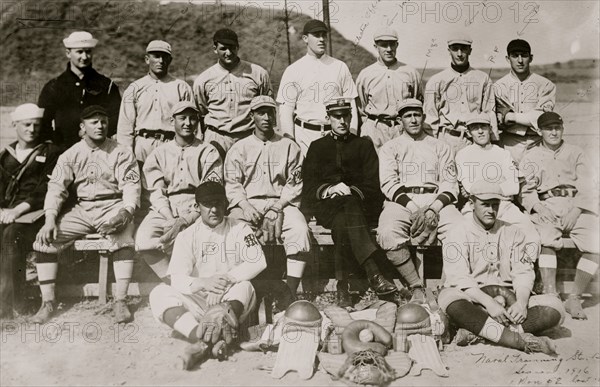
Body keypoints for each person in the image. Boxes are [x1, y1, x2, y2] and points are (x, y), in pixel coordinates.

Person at [31, 105, 141, 324]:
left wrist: (125, 212)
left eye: (103, 121)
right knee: (45, 241)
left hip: (112, 205)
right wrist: (50, 219)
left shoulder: (121, 151)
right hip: (82, 209)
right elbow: (56, 188)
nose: (100, 126)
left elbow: (131, 185)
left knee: (123, 238)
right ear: (82, 127)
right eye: (94, 122)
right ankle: (48, 302)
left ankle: (120, 300)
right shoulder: (71, 154)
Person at [149, 181, 267, 370]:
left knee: (245, 287)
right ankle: (204, 337)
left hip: (230, 298)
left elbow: (259, 260)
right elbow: (177, 278)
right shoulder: (187, 235)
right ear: (197, 207)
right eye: (207, 204)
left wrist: (225, 280)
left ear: (226, 204)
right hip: (199, 300)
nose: (214, 209)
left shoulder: (239, 228)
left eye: (218, 203)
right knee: (158, 293)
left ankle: (202, 345)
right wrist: (204, 282)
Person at [438, 180, 565, 356]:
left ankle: (479, 333)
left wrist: (521, 302)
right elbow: (459, 277)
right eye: (485, 204)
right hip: (474, 300)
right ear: (471, 202)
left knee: (555, 307)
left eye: (495, 205)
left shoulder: (513, 231)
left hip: (508, 300)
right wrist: (488, 303)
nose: (491, 210)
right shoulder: (458, 231)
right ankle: (517, 340)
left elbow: (523, 271)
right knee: (449, 299)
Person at [302, 97, 396, 303]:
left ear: (351, 116)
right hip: (327, 206)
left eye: (346, 116)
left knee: (343, 219)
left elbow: (374, 186)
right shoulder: (317, 147)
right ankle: (374, 273)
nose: (342, 121)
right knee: (344, 211)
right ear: (328, 118)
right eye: (337, 117)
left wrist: (351, 191)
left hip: (360, 206)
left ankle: (342, 287)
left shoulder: (363, 145)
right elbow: (308, 188)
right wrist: (330, 190)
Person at [225, 95, 310, 297]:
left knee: (299, 229)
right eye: (261, 112)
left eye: (270, 112)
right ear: (252, 115)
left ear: (275, 115)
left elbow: (295, 183)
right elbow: (232, 183)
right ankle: (239, 291)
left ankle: (289, 293)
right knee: (231, 231)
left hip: (281, 202)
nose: (266, 117)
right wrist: (245, 207)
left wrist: (277, 207)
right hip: (247, 204)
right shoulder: (239, 147)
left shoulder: (289, 146)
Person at [377, 99, 463, 297]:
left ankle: (449, 286)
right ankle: (416, 286)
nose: (413, 120)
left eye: (417, 115)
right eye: (408, 116)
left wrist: (433, 208)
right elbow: (388, 183)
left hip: (436, 200)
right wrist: (415, 208)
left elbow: (450, 184)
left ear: (423, 117)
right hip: (401, 201)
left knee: (460, 229)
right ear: (400, 120)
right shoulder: (390, 147)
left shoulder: (441, 146)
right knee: (387, 232)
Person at [520, 112, 599, 319]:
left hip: (576, 205)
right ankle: (550, 293)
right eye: (548, 128)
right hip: (547, 204)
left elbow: (590, 185)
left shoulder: (576, 152)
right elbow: (526, 191)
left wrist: (577, 209)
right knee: (545, 236)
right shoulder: (531, 156)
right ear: (540, 131)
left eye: (557, 127)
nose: (554, 132)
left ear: (562, 129)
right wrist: (538, 207)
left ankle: (574, 297)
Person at [136, 101, 223, 284]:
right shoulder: (159, 153)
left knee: (204, 240)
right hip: (166, 207)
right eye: (182, 118)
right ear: (172, 121)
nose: (188, 123)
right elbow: (156, 191)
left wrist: (186, 219)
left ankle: (200, 283)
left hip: (199, 207)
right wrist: (170, 220)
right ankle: (174, 282)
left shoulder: (208, 151)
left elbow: (209, 192)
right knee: (143, 240)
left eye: (193, 119)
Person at [0, 104, 61, 318]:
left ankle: (13, 304)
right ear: (15, 125)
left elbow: (45, 189)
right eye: (26, 125)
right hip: (9, 213)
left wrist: (17, 211)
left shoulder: (51, 152)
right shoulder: (5, 156)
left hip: (38, 214)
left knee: (11, 235)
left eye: (36, 125)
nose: (32, 130)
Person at [455, 112, 540, 263]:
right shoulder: (463, 154)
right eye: (475, 128)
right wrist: (499, 185)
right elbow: (469, 187)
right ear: (469, 132)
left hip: (504, 206)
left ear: (490, 129)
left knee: (529, 231)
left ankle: (524, 273)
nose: (480, 131)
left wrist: (484, 186)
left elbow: (514, 186)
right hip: (476, 206)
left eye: (484, 127)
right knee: (464, 234)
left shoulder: (503, 153)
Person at [277, 19, 358, 156]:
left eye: (323, 35)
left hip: (335, 135)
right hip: (305, 135)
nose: (321, 39)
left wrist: (353, 133)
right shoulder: (293, 70)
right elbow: (286, 109)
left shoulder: (340, 67)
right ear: (305, 38)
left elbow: (351, 103)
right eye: (316, 35)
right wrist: (290, 139)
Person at [193, 28, 272, 158]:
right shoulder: (204, 79)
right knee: (215, 176)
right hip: (217, 138)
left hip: (248, 136)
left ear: (238, 47)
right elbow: (201, 111)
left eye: (232, 48)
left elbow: (267, 108)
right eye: (223, 48)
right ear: (215, 49)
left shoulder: (258, 74)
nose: (228, 53)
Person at [38, 31, 121, 149]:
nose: (84, 57)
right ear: (68, 53)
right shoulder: (54, 86)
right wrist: (54, 146)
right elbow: (43, 123)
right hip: (63, 150)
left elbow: (116, 118)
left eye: (88, 52)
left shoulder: (106, 86)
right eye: (79, 52)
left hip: (99, 150)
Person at [117, 40, 194, 163]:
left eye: (165, 57)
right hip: (143, 145)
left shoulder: (181, 87)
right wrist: (126, 156)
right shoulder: (135, 88)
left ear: (170, 60)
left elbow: (192, 123)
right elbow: (125, 128)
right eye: (156, 56)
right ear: (147, 59)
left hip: (172, 145)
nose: (161, 61)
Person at [424, 34, 497, 153]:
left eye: (463, 48)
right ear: (449, 50)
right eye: (455, 48)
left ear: (470, 50)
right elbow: (430, 117)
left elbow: (489, 112)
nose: (459, 53)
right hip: (446, 139)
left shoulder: (483, 79)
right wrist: (431, 146)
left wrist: (492, 143)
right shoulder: (436, 80)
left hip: (474, 139)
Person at [356, 26, 422, 150]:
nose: (389, 49)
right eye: (384, 45)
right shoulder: (366, 74)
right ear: (376, 47)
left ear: (397, 45)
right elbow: (361, 107)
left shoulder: (410, 72)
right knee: (375, 168)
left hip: (402, 129)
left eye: (392, 44)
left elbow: (418, 101)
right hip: (375, 131)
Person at [494, 39, 556, 162]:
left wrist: (511, 116)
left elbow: (542, 118)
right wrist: (528, 117)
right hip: (509, 143)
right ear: (507, 58)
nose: (520, 60)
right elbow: (498, 119)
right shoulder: (498, 86)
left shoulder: (545, 84)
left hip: (537, 142)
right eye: (515, 56)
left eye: (524, 55)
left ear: (531, 58)